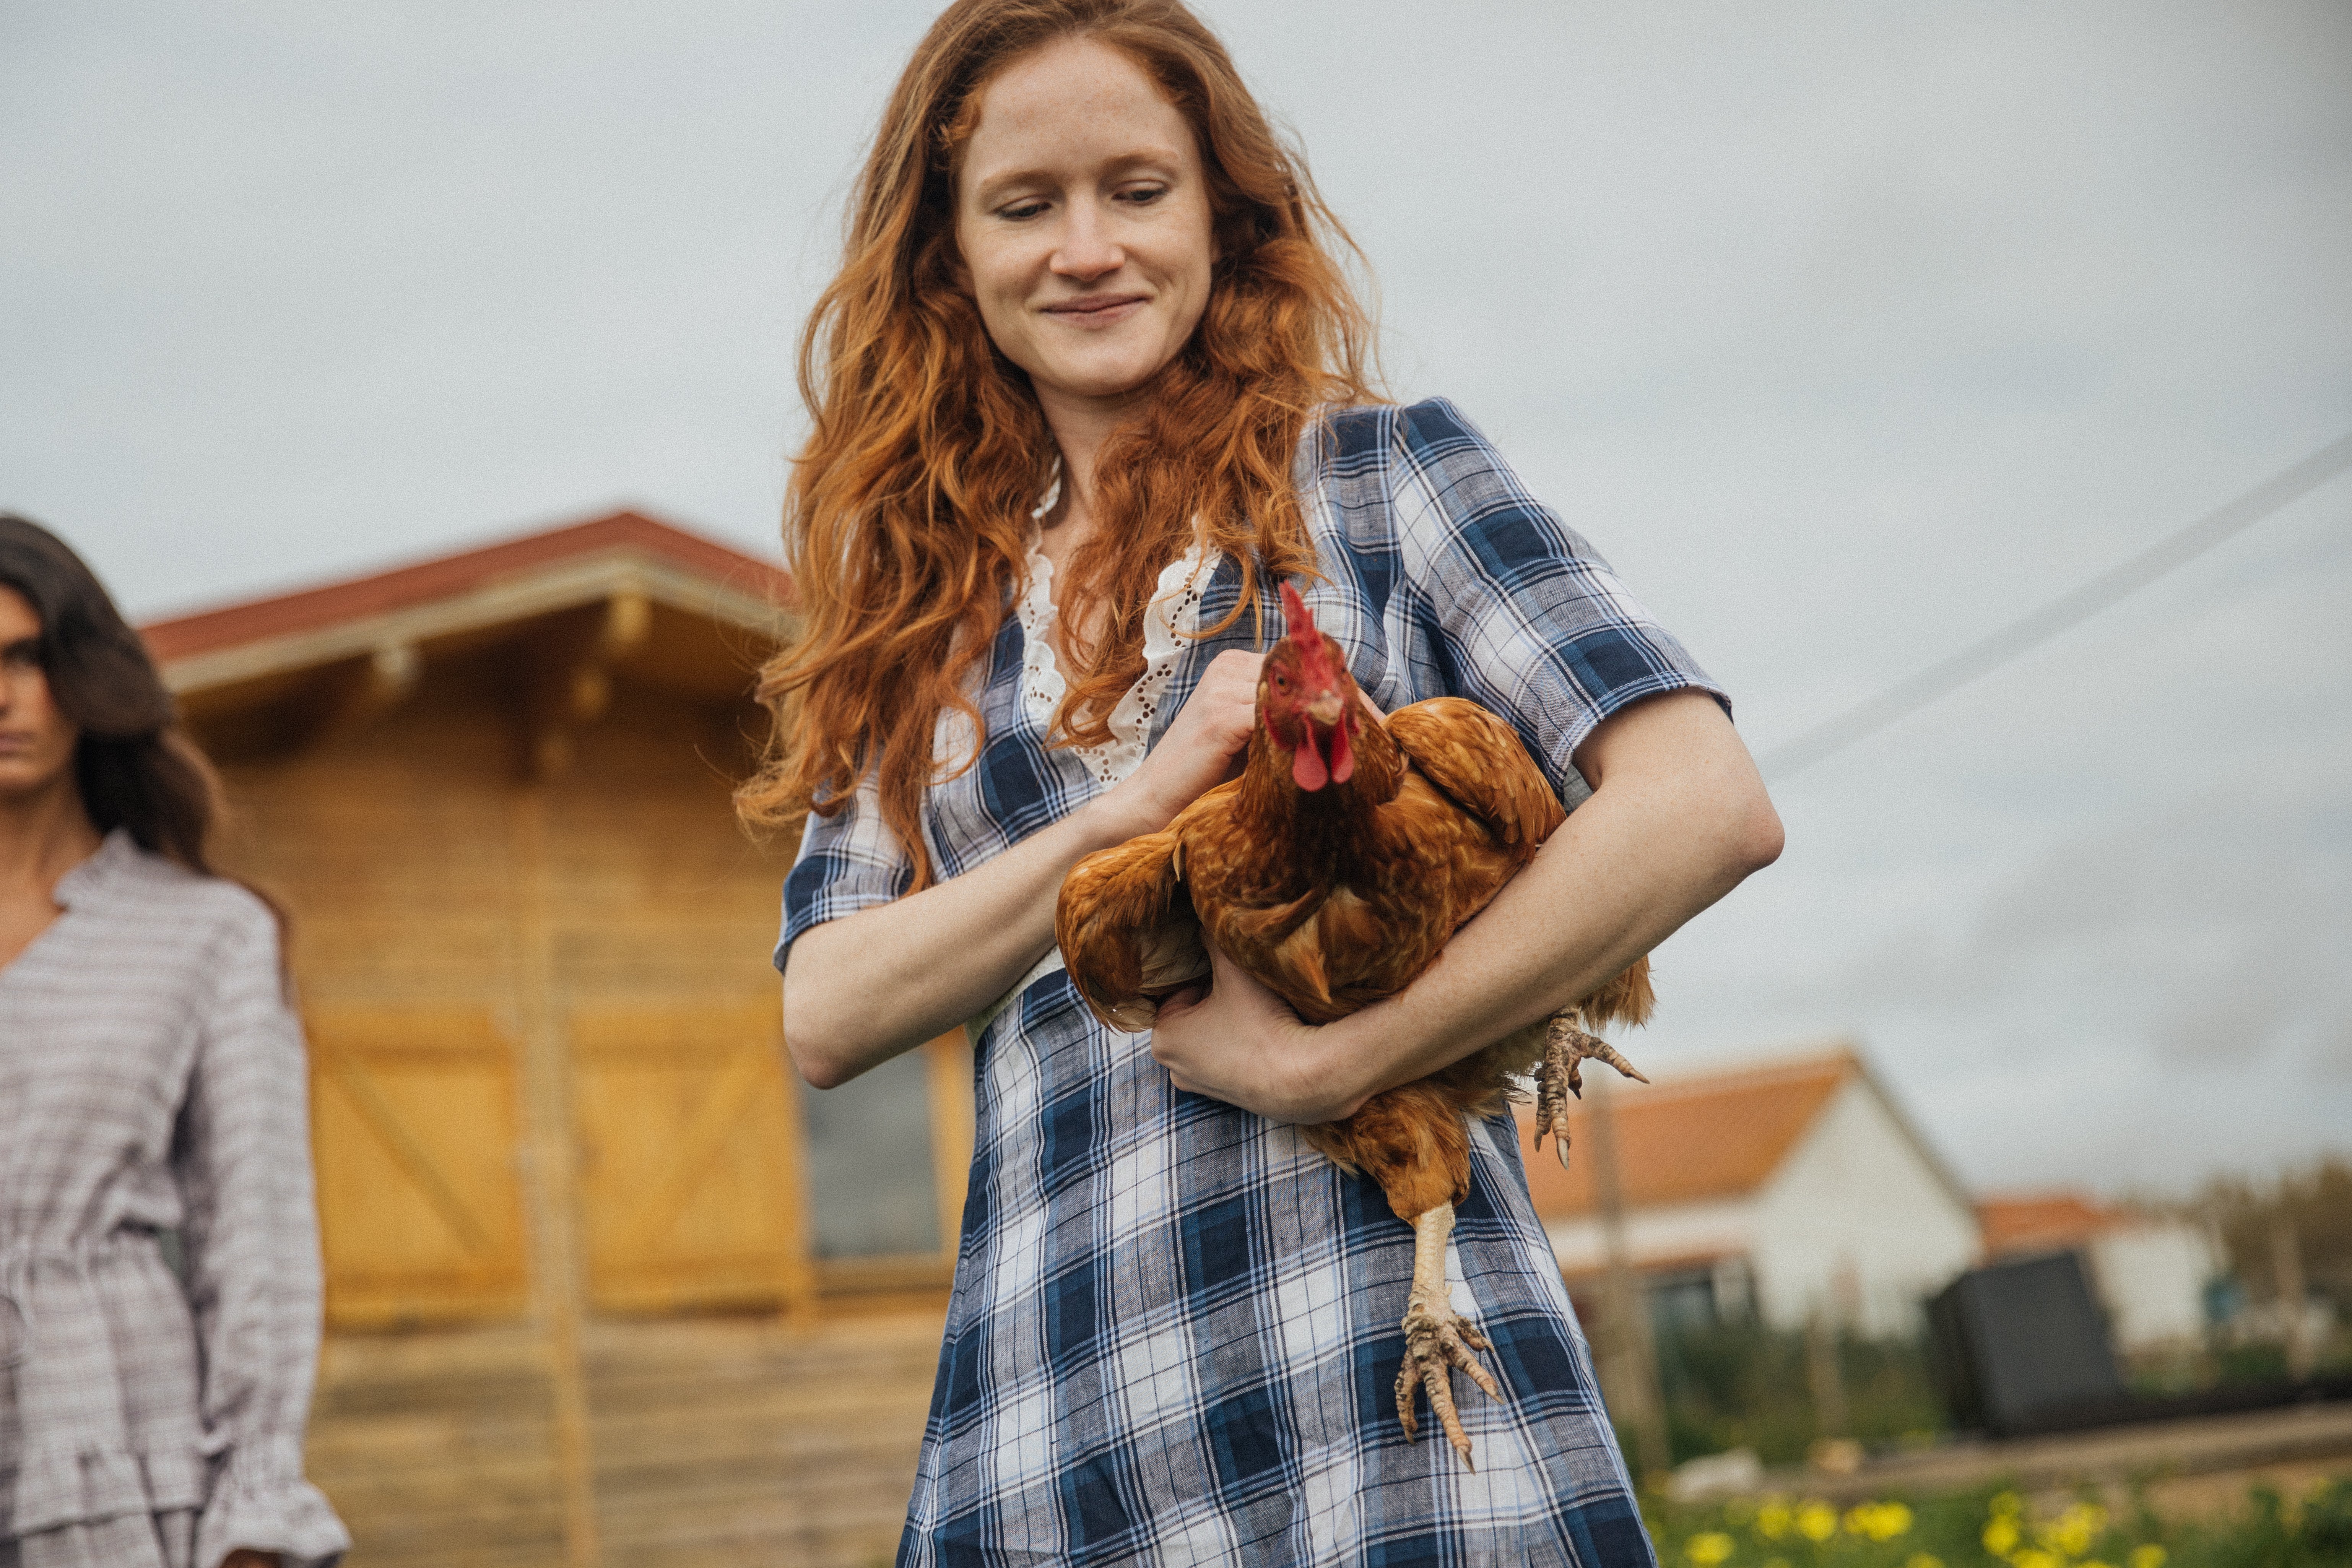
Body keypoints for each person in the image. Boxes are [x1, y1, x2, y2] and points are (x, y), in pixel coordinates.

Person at [739, 1, 1784, 1561]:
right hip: (1052, 1418)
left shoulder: (1376, 477)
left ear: (1222, 218)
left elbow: (1700, 802)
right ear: (947, 258)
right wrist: (1120, 819)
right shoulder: (918, 630)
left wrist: (1333, 1065)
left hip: (1381, 1364)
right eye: (1024, 206)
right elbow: (825, 1008)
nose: (1085, 245)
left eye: (1136, 191)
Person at [0, 515, 349, 1568]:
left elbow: (260, 1245)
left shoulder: (209, 936)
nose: (3, 694)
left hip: (114, 1458)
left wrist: (252, 1513)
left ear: (84, 675)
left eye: (27, 657)